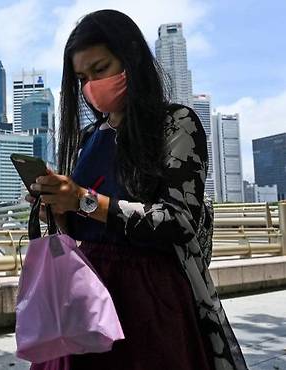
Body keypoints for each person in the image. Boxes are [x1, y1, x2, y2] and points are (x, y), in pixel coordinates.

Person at [25, 9, 247, 370]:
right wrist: (57, 206)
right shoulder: (89, 139)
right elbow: (83, 228)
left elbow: (177, 220)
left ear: (130, 58)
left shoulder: (177, 124)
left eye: (100, 70)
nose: (91, 86)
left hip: (152, 299)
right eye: (82, 77)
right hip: (90, 297)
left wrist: (82, 198)